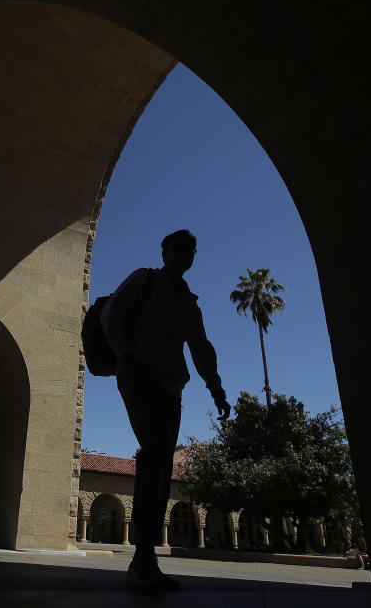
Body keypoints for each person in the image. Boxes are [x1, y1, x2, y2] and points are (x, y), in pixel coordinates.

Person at [101, 229, 229, 591]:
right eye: (179, 248)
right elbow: (112, 313)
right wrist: (125, 356)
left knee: (161, 463)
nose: (186, 254)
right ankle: (143, 557)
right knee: (156, 449)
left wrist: (216, 388)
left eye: (191, 250)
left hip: (172, 387)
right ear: (165, 251)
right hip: (139, 377)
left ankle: (146, 558)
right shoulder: (145, 279)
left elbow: (201, 348)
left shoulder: (190, 303)